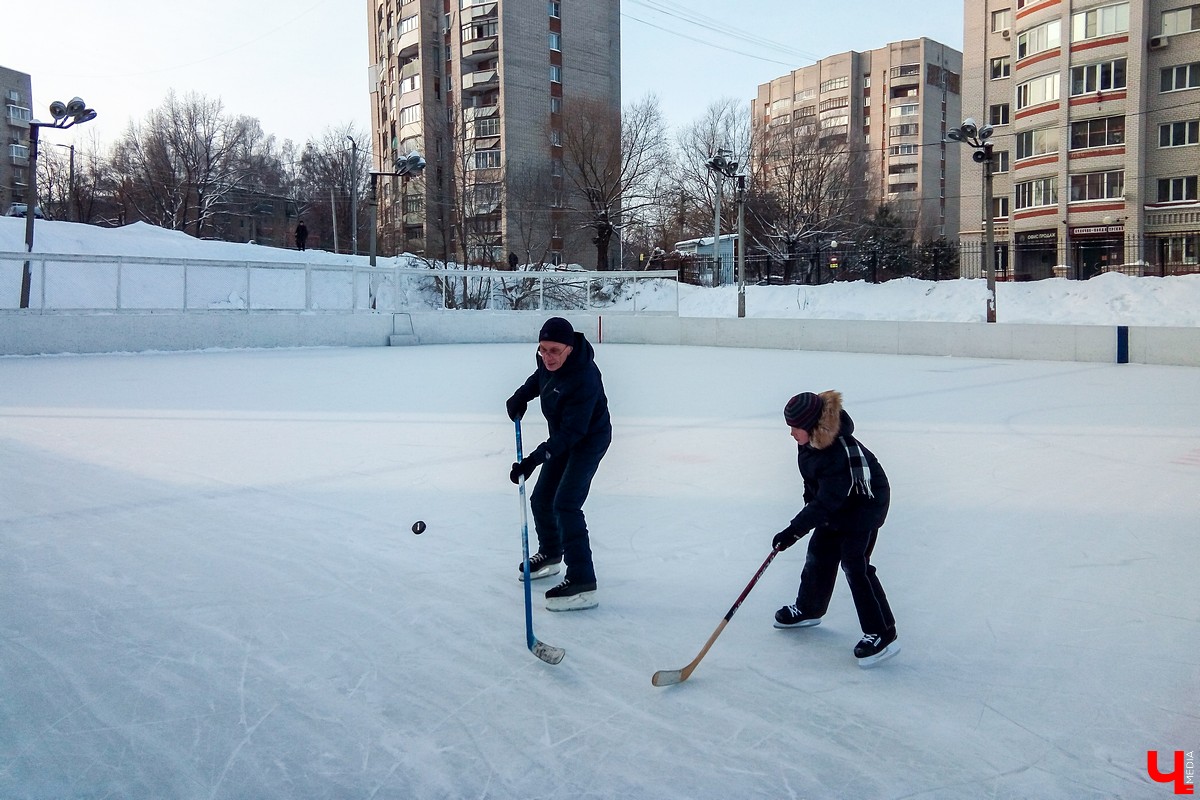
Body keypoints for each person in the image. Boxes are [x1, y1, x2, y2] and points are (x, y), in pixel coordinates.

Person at [771, 390, 899, 667]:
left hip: (865, 506)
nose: (791, 434)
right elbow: (814, 488)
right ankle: (809, 608)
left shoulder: (836, 454)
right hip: (838, 504)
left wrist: (793, 531)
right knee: (819, 553)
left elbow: (826, 500)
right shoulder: (810, 444)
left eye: (795, 428)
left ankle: (882, 632)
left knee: (855, 565)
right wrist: (809, 514)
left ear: (812, 426)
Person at [506, 317, 611, 611]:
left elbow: (572, 434)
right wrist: (520, 396)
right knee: (541, 499)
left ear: (569, 348)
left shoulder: (584, 377)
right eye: (542, 349)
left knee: (565, 504)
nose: (547, 356)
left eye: (554, 350)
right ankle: (551, 554)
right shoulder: (547, 361)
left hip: (587, 440)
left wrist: (533, 460)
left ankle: (582, 582)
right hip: (563, 437)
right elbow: (541, 378)